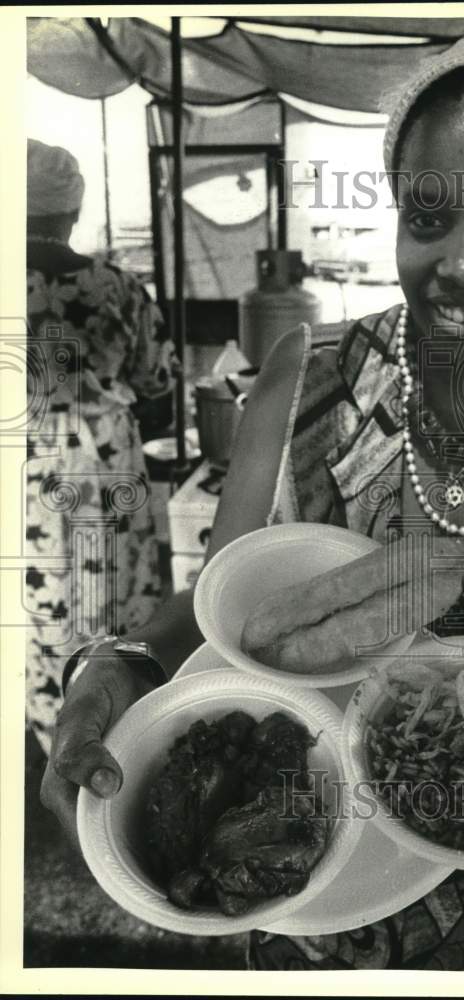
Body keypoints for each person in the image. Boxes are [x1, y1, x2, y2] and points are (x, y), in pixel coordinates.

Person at [41, 22, 464, 970]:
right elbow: (221, 621)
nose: (460, 260)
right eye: (428, 216)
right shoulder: (306, 377)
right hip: (308, 878)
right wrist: (114, 661)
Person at [26, 139, 175, 755]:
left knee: (39, 602)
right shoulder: (117, 288)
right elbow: (158, 388)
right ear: (72, 213)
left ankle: (51, 735)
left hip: (26, 477)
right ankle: (123, 729)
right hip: (105, 467)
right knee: (117, 594)